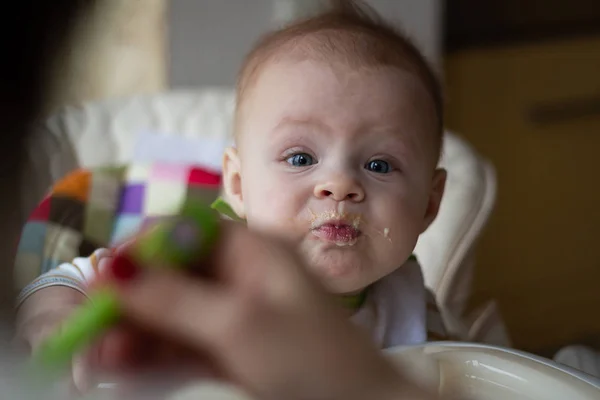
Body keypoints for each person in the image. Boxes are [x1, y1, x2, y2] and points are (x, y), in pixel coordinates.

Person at [15, 0, 448, 395]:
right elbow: (68, 280)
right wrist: (55, 316)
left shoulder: (413, 305)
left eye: (379, 165)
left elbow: (465, 375)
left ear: (429, 205)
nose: (338, 184)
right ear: (238, 186)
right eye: (300, 157)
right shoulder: (200, 259)